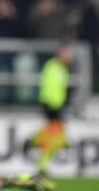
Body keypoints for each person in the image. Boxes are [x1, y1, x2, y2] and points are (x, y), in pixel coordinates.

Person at [28, 45, 74, 175]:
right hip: (52, 106)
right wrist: (52, 105)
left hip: (56, 106)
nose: (70, 57)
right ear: (61, 53)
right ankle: (33, 142)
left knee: (53, 137)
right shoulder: (53, 67)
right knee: (60, 138)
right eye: (67, 54)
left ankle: (40, 157)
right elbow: (49, 87)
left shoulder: (60, 68)